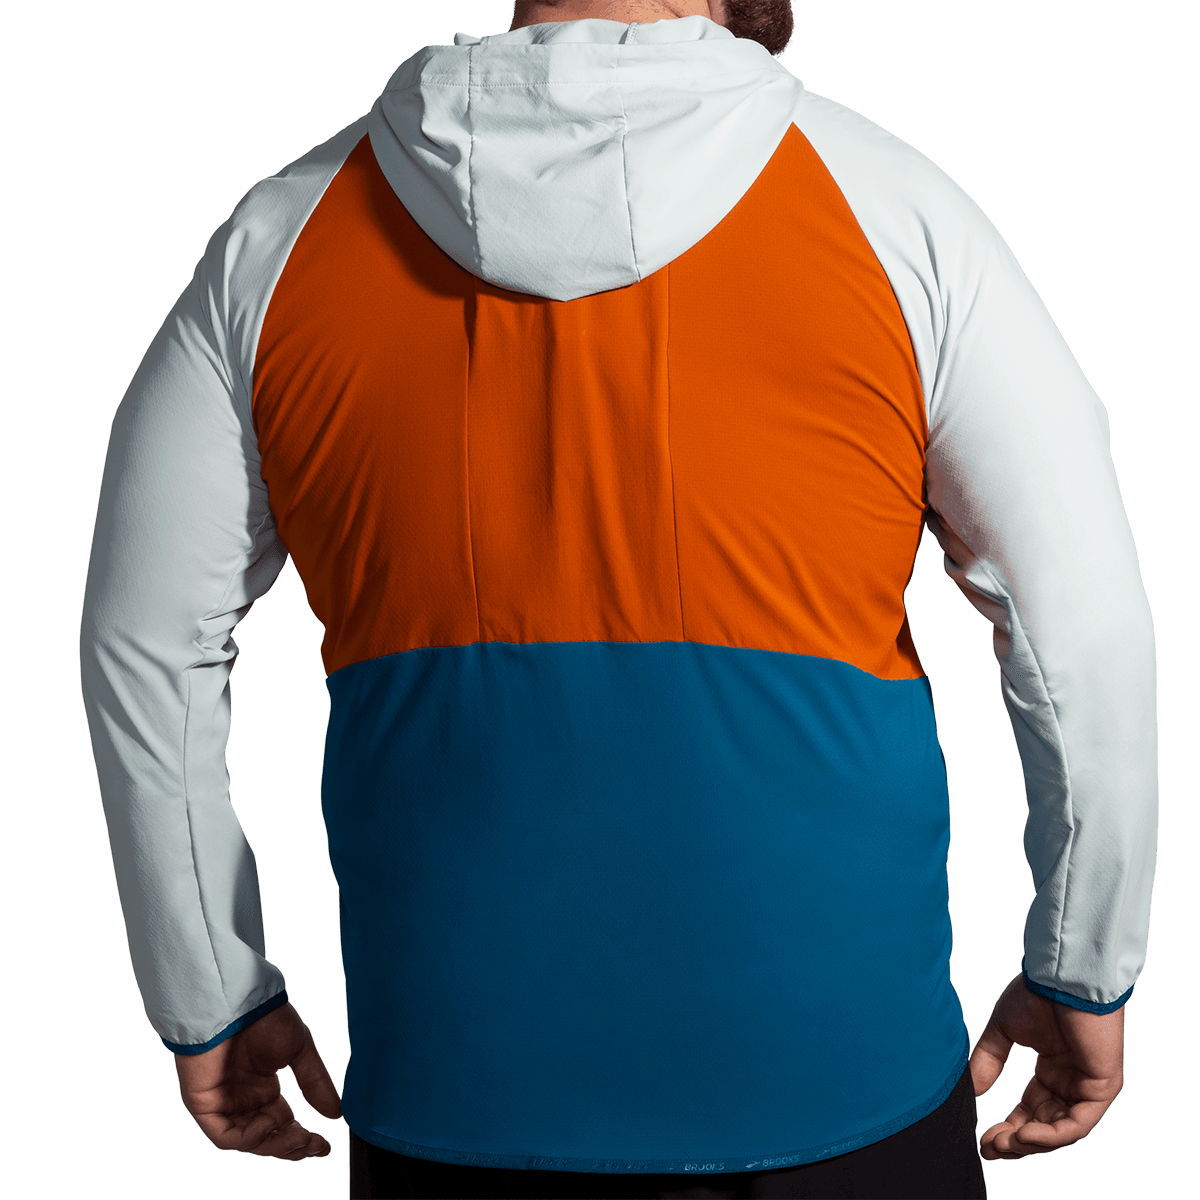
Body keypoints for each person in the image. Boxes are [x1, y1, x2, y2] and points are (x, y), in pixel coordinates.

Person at [78, 1, 1158, 1196]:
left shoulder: (279, 239)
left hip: (457, 1088)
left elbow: (145, 646)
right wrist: (1082, 965)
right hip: (845, 1082)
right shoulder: (902, 211)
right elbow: (1083, 628)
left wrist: (209, 993)